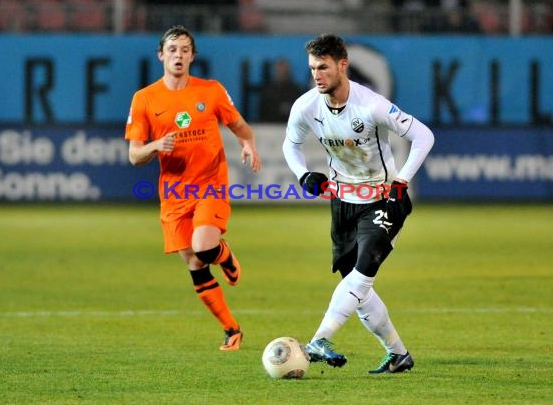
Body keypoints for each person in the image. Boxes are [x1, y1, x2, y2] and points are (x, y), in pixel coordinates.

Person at [282, 34, 434, 373]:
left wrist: (402, 179)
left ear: (342, 65)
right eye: (312, 69)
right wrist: (303, 175)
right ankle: (398, 354)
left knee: (362, 275)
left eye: (323, 67)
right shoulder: (306, 106)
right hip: (342, 203)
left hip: (383, 201)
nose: (317, 75)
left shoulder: (371, 105)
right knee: (358, 289)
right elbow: (290, 145)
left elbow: (424, 135)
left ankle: (319, 339)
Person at [125, 25, 261, 351]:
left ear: (192, 56)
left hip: (210, 183)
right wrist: (156, 145)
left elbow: (239, 126)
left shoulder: (210, 91)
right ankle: (232, 329)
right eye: (172, 49)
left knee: (204, 247)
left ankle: (225, 255)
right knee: (195, 263)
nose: (178, 55)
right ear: (161, 55)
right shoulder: (144, 99)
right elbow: (134, 156)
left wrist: (248, 145)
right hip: (173, 194)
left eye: (185, 50)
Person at [258, 58, 304, 123]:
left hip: (291, 125)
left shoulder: (296, 90)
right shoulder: (268, 91)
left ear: (289, 71)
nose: (282, 73)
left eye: (284, 71)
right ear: (275, 71)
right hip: (271, 126)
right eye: (279, 71)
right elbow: (262, 112)